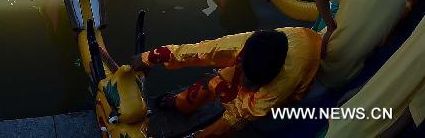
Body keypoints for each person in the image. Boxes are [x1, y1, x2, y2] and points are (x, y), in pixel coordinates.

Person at [123, 27, 321, 137]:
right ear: (241, 58)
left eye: (252, 85)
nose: (245, 86)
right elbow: (202, 51)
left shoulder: (279, 88)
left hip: (296, 85)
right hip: (288, 48)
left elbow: (233, 120)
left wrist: (198, 137)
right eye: (245, 78)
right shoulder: (245, 44)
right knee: (216, 82)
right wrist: (151, 57)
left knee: (243, 114)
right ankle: (181, 103)